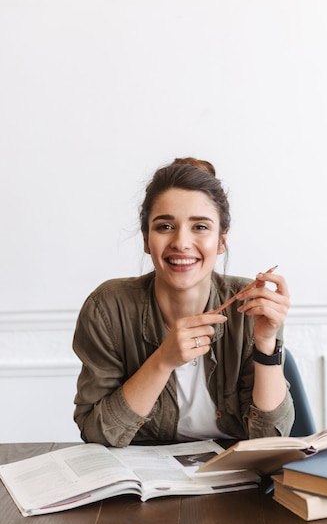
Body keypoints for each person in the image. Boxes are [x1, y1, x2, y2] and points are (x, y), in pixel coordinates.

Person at [73, 157, 294, 447]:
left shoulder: (250, 304)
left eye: (200, 227)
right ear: (145, 239)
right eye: (165, 226)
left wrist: (266, 344)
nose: (181, 242)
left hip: (237, 478)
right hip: (144, 481)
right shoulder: (108, 308)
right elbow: (97, 433)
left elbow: (269, 438)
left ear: (220, 242)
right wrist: (163, 360)